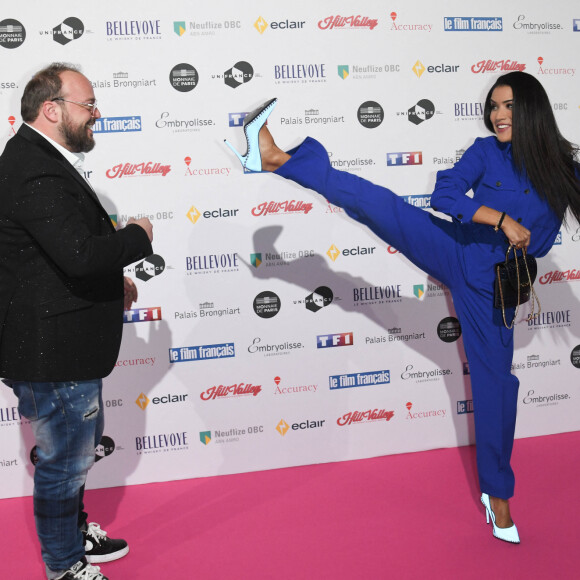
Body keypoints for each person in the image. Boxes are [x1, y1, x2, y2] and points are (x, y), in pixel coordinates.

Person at [226, 72, 580, 544]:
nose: (498, 115)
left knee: (497, 387)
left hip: (491, 286)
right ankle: (274, 158)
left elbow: (549, 231)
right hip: (453, 245)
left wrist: (526, 242)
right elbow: (445, 195)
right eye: (494, 106)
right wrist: (499, 218)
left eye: (509, 106)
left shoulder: (562, 167)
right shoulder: (484, 150)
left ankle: (497, 494)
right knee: (378, 204)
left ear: (532, 108)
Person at [0, 63, 154, 579]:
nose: (97, 113)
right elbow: (82, 257)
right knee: (65, 462)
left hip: (64, 342)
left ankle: (74, 531)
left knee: (75, 455)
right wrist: (137, 235)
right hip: (53, 349)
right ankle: (64, 566)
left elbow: (51, 259)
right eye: (88, 104)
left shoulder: (39, 158)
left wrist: (115, 285)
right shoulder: (34, 166)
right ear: (52, 109)